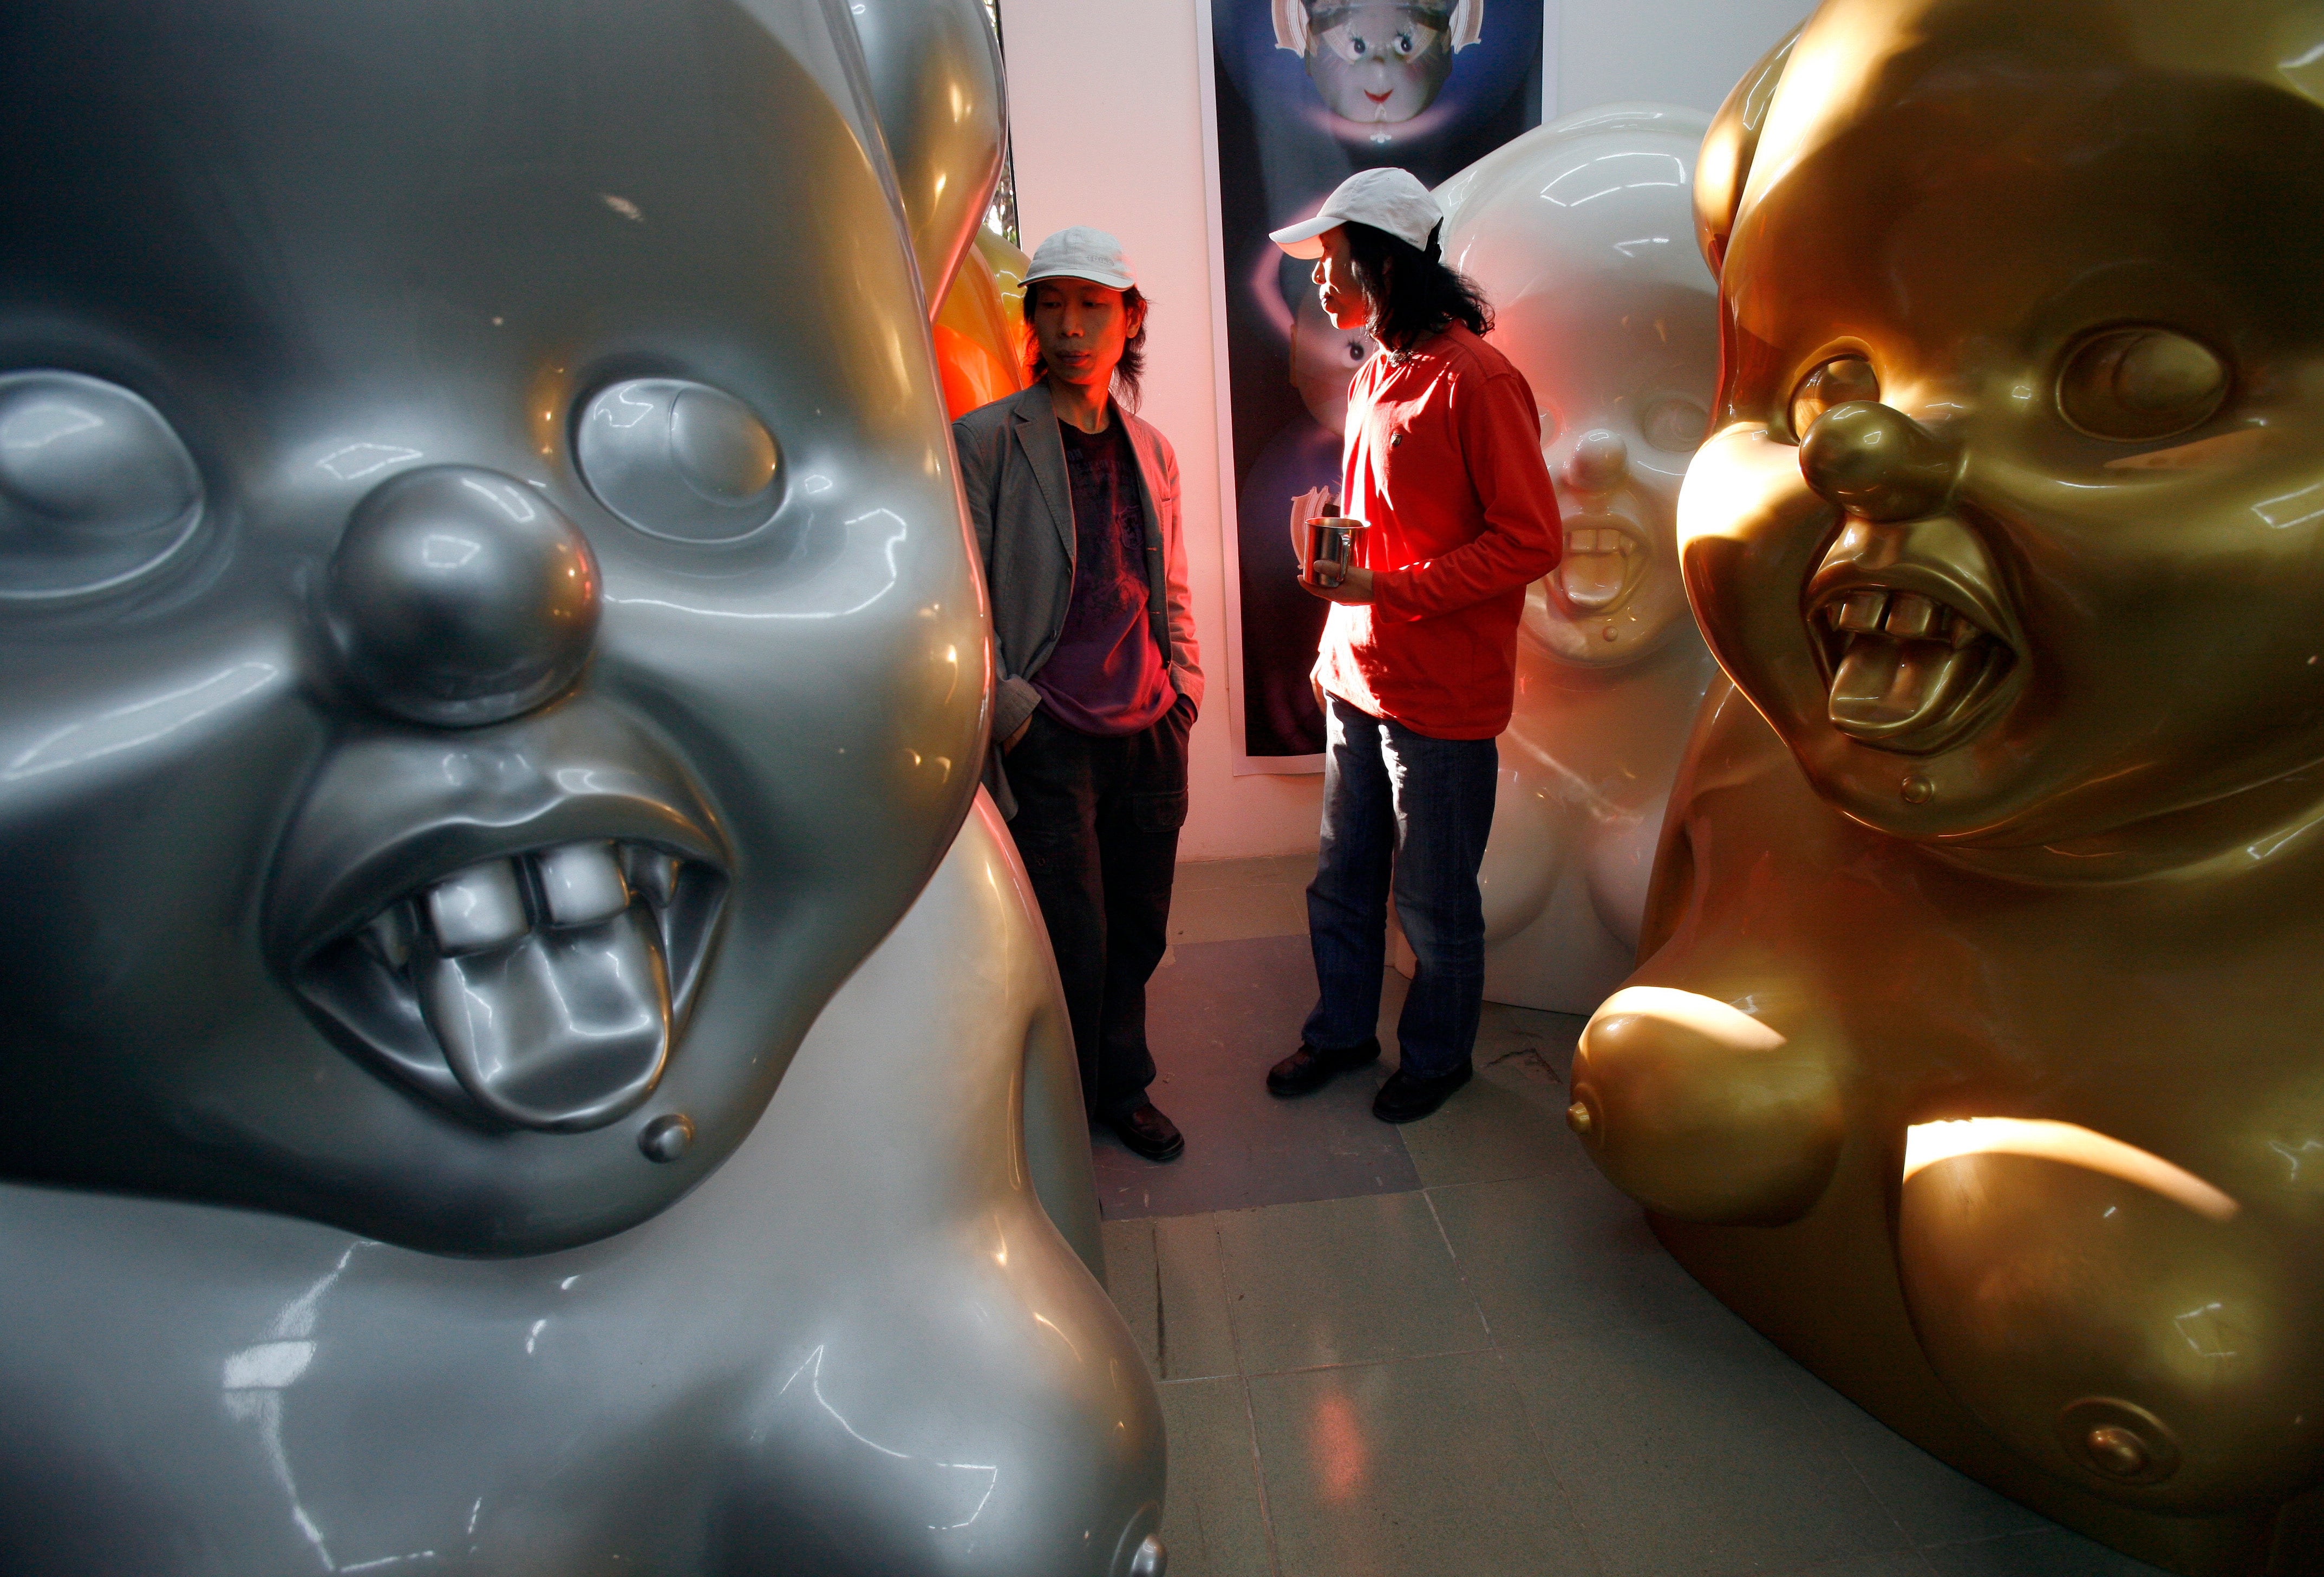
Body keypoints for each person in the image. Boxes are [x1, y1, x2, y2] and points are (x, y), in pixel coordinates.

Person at [1262, 167, 1562, 1122]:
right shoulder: (1375, 372)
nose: (1318, 279)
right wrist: (1333, 618)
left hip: (1441, 699)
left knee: (1433, 902)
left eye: (1330, 259)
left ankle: (1437, 1059)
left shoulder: (1478, 379)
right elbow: (1369, 525)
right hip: (1358, 678)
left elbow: (1531, 541)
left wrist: (1388, 592)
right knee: (1342, 882)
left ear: (1380, 259)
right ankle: (1342, 1034)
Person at [953, 227, 1203, 1163]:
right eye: (1050, 304)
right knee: (1073, 940)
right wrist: (1012, 711)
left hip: (1149, 726)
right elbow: (966, 593)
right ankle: (1067, 1106)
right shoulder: (988, 440)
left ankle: (1121, 1086)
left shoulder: (1154, 448)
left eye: (1092, 305)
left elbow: (1169, 581)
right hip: (1051, 732)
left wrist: (1185, 688)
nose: (1070, 326)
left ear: (1129, 317)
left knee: (1139, 929)